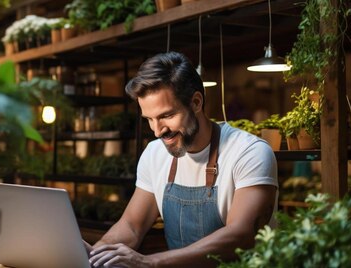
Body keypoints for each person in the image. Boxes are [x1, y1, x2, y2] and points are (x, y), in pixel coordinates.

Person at [86, 52, 278, 267]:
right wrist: (94, 255)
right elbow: (131, 225)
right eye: (149, 119)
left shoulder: (250, 152)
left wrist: (150, 262)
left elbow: (241, 234)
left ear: (196, 102)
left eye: (166, 116)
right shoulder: (154, 154)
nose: (158, 131)